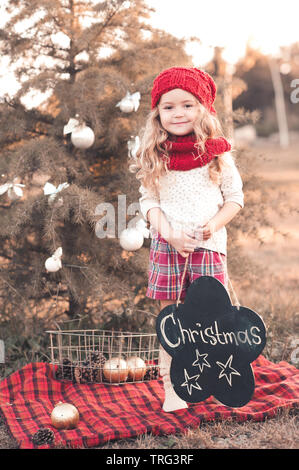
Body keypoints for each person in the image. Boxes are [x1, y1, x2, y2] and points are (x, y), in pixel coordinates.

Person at [129, 67, 244, 412]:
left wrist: (212, 226)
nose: (178, 113)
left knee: (212, 319)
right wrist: (171, 234)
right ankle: (173, 386)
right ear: (157, 114)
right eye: (168, 107)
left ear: (203, 109)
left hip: (207, 247)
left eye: (187, 105)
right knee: (172, 321)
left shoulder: (217, 153)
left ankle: (215, 377)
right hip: (168, 245)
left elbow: (235, 199)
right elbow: (148, 202)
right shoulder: (155, 154)